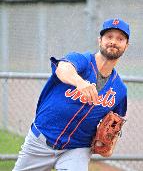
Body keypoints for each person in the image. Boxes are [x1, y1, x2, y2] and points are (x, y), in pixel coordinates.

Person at [13, 18, 130, 171]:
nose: (113, 41)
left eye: (120, 39)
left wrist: (110, 142)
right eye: (109, 36)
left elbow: (116, 122)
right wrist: (79, 82)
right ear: (100, 40)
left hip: (77, 149)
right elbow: (63, 69)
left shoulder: (119, 89)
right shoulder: (81, 60)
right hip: (41, 140)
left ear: (126, 46)